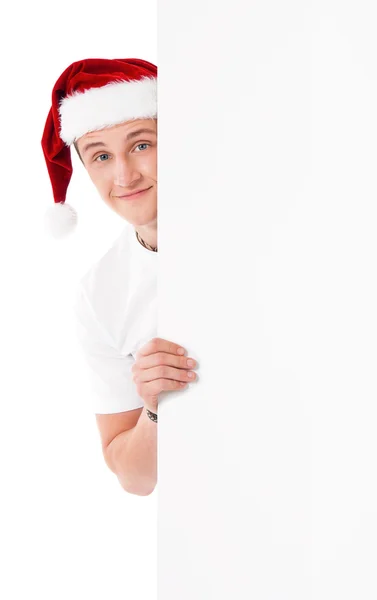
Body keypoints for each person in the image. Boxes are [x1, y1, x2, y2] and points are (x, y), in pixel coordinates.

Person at [41, 58, 198, 496]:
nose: (124, 175)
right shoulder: (99, 295)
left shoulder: (259, 232)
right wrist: (153, 408)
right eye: (102, 156)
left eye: (142, 145)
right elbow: (134, 478)